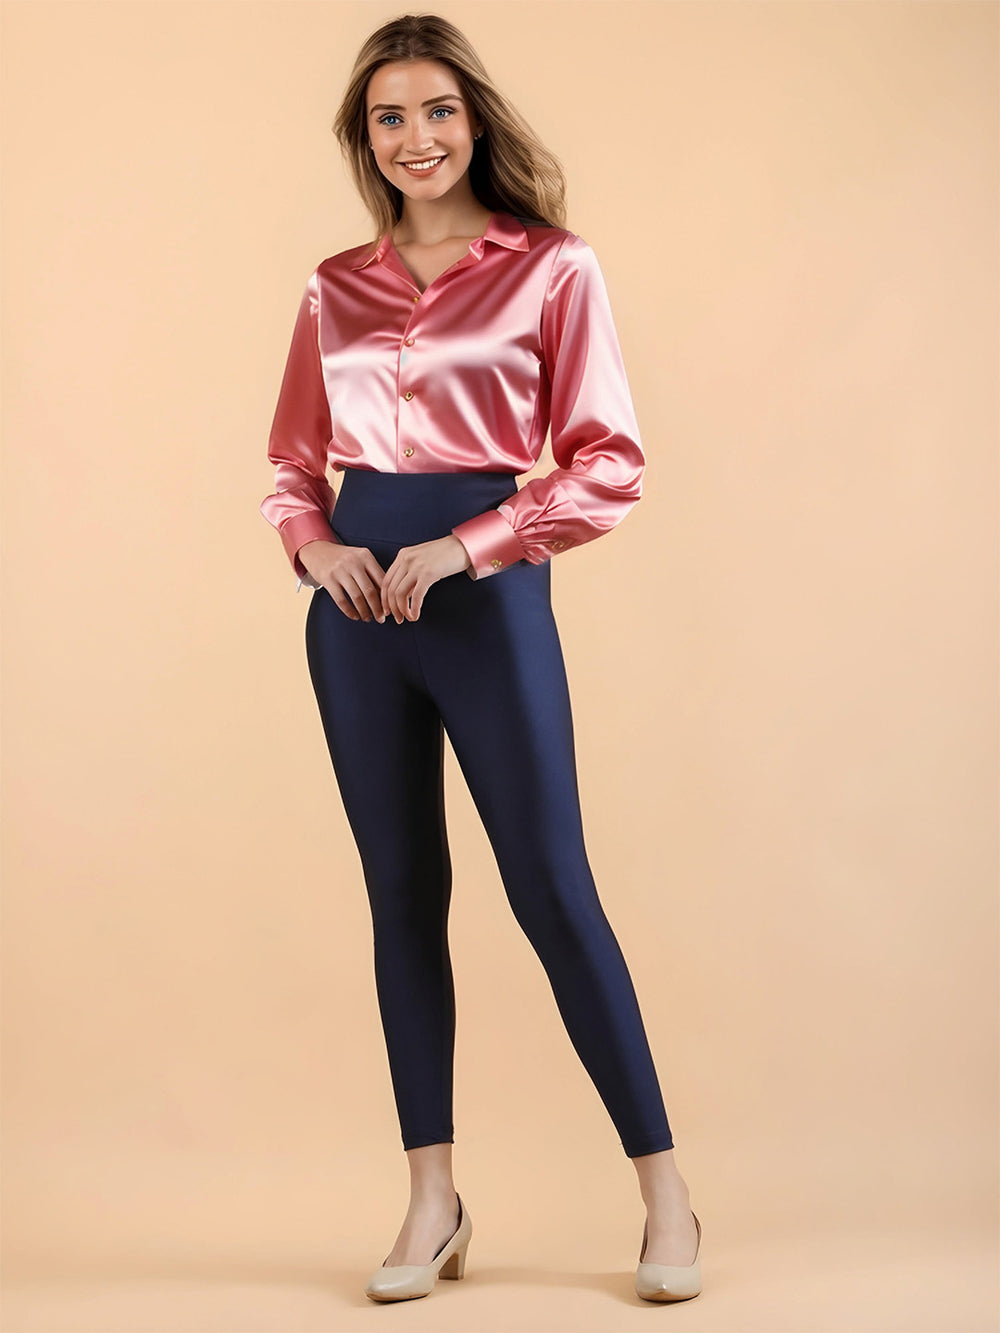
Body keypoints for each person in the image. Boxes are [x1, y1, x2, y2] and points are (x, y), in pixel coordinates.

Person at [259, 12, 702, 1305]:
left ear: (475, 119)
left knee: (552, 888)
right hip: (356, 626)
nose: (418, 138)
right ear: (365, 139)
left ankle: (667, 1192)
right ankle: (433, 1199)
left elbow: (609, 463)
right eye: (389, 117)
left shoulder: (552, 269)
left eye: (438, 111)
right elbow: (292, 465)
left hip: (487, 606)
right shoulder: (333, 287)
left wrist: (470, 545)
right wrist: (314, 548)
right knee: (401, 893)